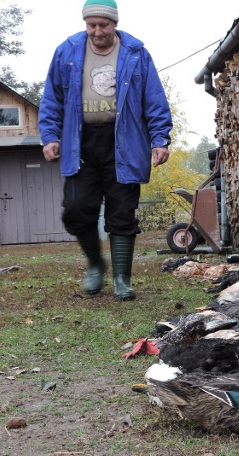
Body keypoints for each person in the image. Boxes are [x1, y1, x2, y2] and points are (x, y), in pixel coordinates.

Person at [38, 0, 172, 300]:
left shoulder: (136, 53)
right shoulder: (68, 52)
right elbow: (52, 98)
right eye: (91, 25)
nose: (97, 31)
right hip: (80, 143)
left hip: (124, 142)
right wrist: (50, 136)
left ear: (115, 24)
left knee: (122, 211)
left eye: (103, 25)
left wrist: (160, 139)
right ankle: (96, 265)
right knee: (76, 209)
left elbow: (154, 98)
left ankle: (122, 279)